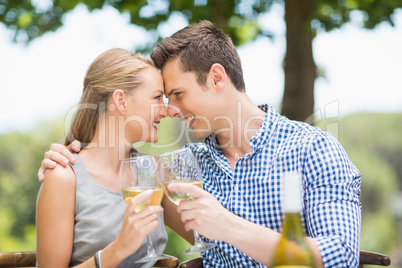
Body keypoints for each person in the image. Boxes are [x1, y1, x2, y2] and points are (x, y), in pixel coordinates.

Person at [38, 21, 361, 268]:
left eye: (177, 94)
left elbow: (342, 255)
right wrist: (64, 162)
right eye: (162, 98)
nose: (170, 110)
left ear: (217, 78)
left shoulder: (312, 149)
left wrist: (228, 226)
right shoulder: (182, 167)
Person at [36, 48, 172, 268]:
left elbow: (207, 235)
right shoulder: (64, 177)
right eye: (157, 98)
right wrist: (119, 249)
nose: (165, 111)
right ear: (121, 101)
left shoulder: (152, 171)